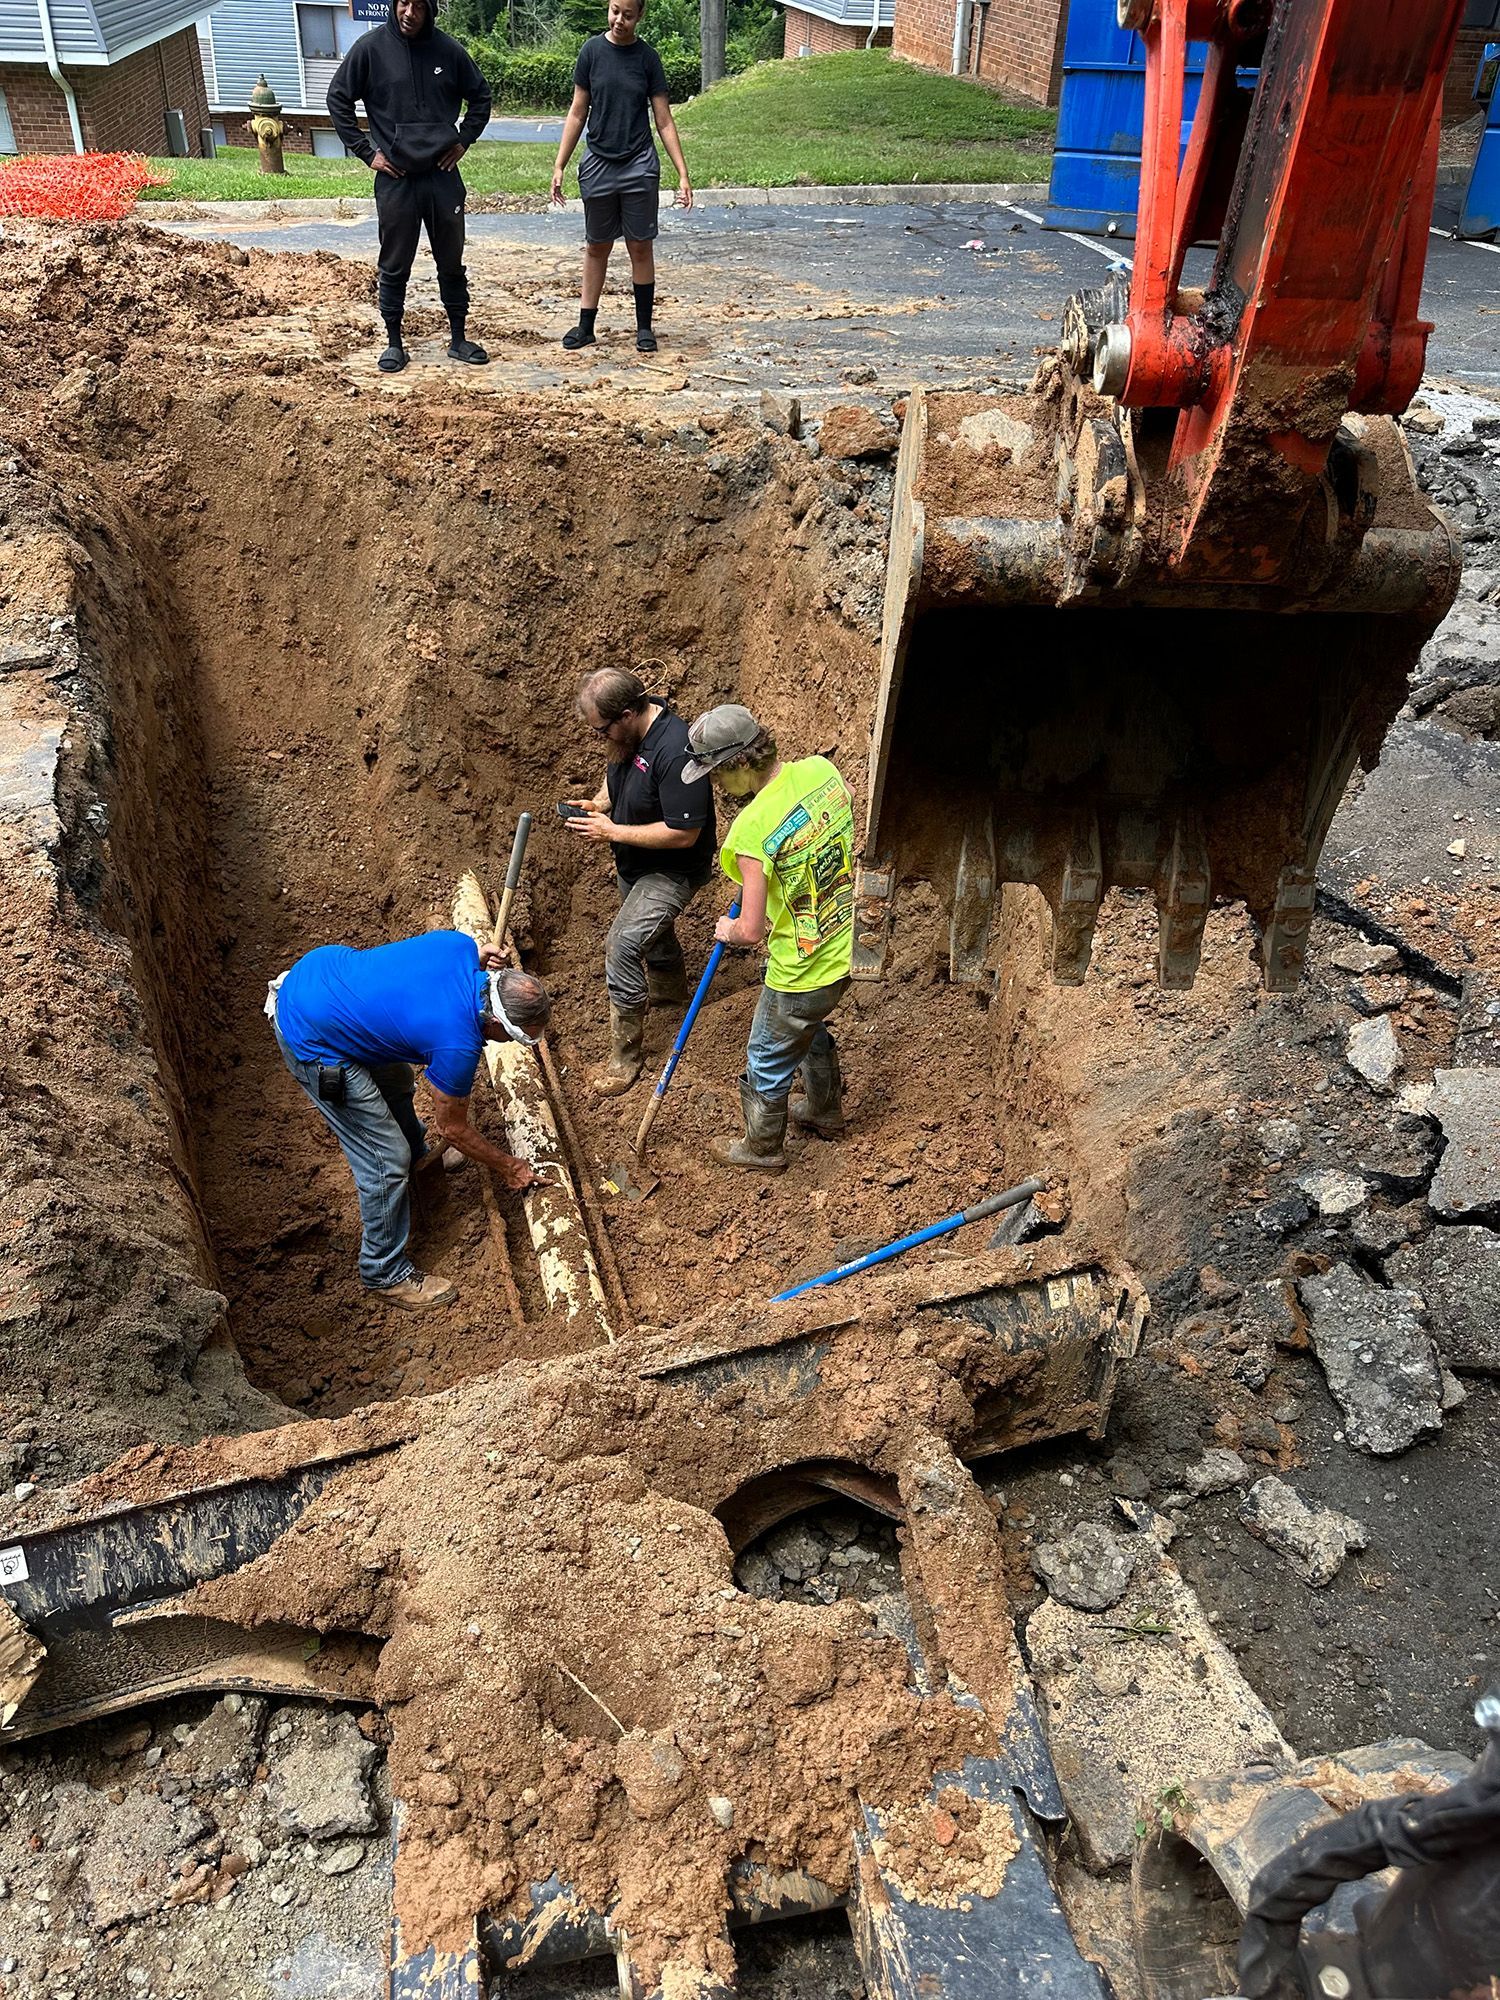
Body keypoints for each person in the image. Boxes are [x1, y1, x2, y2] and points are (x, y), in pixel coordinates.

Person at [267, 930, 549, 1309]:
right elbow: (452, 1128)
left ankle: (419, 1158)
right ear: (495, 1022)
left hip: (325, 980)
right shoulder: (457, 1044)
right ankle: (383, 1271)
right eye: (516, 1037)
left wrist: (479, 958)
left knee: (398, 1079)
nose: (513, 1044)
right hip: (312, 1034)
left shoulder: (462, 948)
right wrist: (508, 1166)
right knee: (386, 1159)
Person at [682, 705, 855, 1172]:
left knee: (766, 1055)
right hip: (845, 946)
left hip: (800, 969)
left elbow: (751, 930)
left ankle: (762, 1149)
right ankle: (823, 1110)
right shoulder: (823, 772)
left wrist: (728, 928)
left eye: (717, 775)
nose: (715, 786)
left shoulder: (751, 830)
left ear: (739, 764)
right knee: (807, 1029)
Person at [563, 668, 714, 1095]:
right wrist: (597, 803)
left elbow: (684, 833)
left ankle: (624, 1058)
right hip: (636, 863)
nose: (600, 738)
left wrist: (612, 832)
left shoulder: (677, 751)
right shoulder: (628, 737)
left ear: (627, 714)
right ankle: (670, 996)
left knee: (623, 944)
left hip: (672, 869)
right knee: (653, 932)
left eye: (601, 730)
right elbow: (619, 776)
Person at [327, 0, 493, 375]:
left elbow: (480, 96)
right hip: (396, 179)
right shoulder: (370, 50)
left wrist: (464, 140)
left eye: (419, 5)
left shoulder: (448, 50)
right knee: (394, 264)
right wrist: (366, 152)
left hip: (441, 175)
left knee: (451, 260)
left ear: (429, 8)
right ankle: (394, 342)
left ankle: (458, 338)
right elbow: (338, 98)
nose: (409, 12)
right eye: (403, 2)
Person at [549, 0, 693, 355]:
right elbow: (577, 112)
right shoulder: (591, 52)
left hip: (639, 164)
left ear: (640, 16)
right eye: (614, 10)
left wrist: (683, 173)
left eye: (628, 15)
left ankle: (644, 328)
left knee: (640, 245)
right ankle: (586, 327)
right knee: (597, 245)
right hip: (598, 162)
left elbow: (664, 121)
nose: (619, 20)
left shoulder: (647, 59)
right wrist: (560, 164)